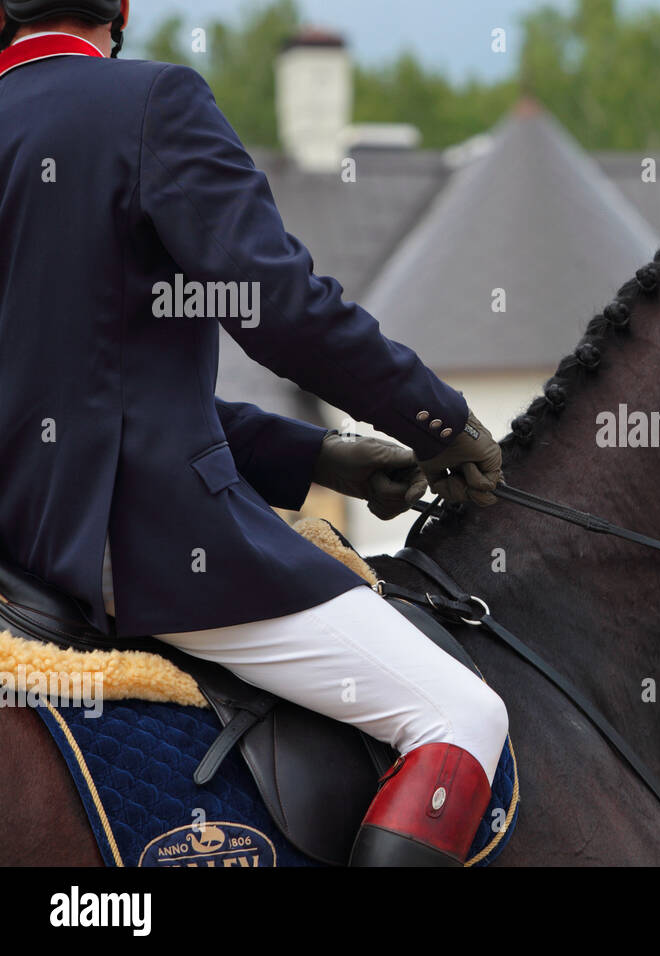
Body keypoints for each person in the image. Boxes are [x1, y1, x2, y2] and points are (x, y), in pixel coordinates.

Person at [0, 0, 508, 866]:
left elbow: (96, 393)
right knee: (462, 715)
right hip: (137, 547)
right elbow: (283, 309)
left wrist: (317, 455)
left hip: (19, 547)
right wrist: (435, 418)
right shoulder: (151, 102)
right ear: (119, 11)